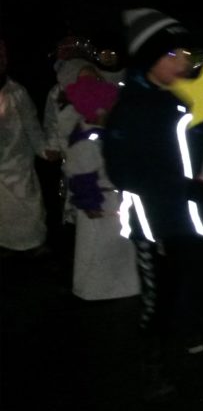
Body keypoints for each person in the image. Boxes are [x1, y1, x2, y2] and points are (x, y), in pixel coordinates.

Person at [104, 9, 203, 370]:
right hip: (154, 222)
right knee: (160, 290)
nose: (182, 62)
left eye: (185, 53)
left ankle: (194, 333)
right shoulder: (131, 110)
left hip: (195, 217)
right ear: (148, 58)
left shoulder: (186, 99)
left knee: (198, 278)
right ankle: (153, 355)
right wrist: (183, 188)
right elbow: (124, 171)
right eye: (172, 54)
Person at [63, 76, 139, 300]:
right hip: (101, 204)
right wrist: (90, 202)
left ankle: (121, 286)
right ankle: (96, 288)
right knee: (98, 247)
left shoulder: (99, 135)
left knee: (116, 246)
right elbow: (82, 176)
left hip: (111, 201)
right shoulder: (87, 142)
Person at [0, 38, 49, 253]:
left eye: (3, 55)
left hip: (19, 167)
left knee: (28, 214)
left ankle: (34, 247)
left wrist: (46, 150)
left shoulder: (17, 92)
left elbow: (32, 127)